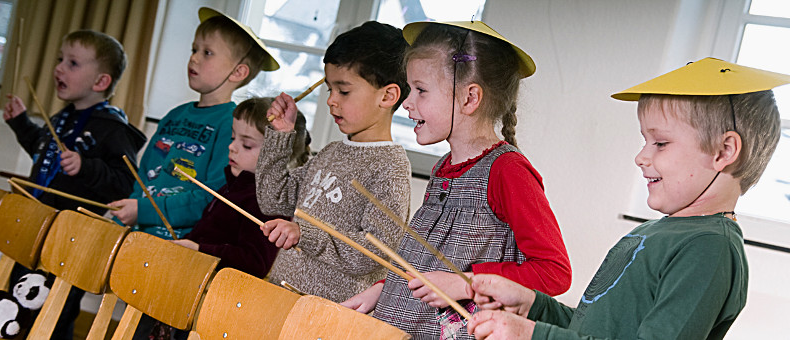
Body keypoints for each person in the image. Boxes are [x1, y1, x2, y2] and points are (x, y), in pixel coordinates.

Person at [466, 57, 790, 340]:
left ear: (724, 151)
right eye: (644, 141)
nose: (641, 157)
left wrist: (533, 336)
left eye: (660, 143)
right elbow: (595, 330)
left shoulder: (708, 248)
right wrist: (533, 306)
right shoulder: (659, 231)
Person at [342, 21, 572, 339]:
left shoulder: (508, 172)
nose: (407, 102)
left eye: (420, 90)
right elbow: (423, 255)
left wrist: (467, 282)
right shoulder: (443, 169)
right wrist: (382, 289)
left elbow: (554, 273)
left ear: (469, 98)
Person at [2, 29, 145, 340]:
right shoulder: (63, 117)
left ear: (100, 82)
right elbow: (47, 156)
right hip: (36, 230)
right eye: (59, 60)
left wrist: (86, 167)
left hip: (73, 242)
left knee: (54, 315)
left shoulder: (113, 129)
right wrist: (22, 125)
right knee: (15, 306)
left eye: (72, 63)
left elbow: (125, 184)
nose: (59, 68)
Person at [255, 21, 412, 303]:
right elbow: (272, 200)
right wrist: (281, 137)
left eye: (344, 91)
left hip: (326, 314)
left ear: (387, 96)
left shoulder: (390, 167)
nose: (330, 101)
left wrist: (305, 234)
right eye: (329, 89)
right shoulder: (331, 152)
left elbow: (375, 253)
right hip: (280, 295)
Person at [109, 7, 279, 240]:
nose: (194, 57)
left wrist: (143, 211)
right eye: (194, 49)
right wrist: (125, 216)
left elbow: (211, 197)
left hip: (180, 243)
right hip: (137, 233)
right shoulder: (173, 115)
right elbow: (142, 177)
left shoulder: (232, 125)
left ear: (238, 72)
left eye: (207, 53)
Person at [172, 97, 311, 278]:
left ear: (277, 153)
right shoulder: (231, 185)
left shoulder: (267, 202)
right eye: (232, 137)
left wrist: (200, 250)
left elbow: (255, 262)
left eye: (247, 145)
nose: (231, 147)